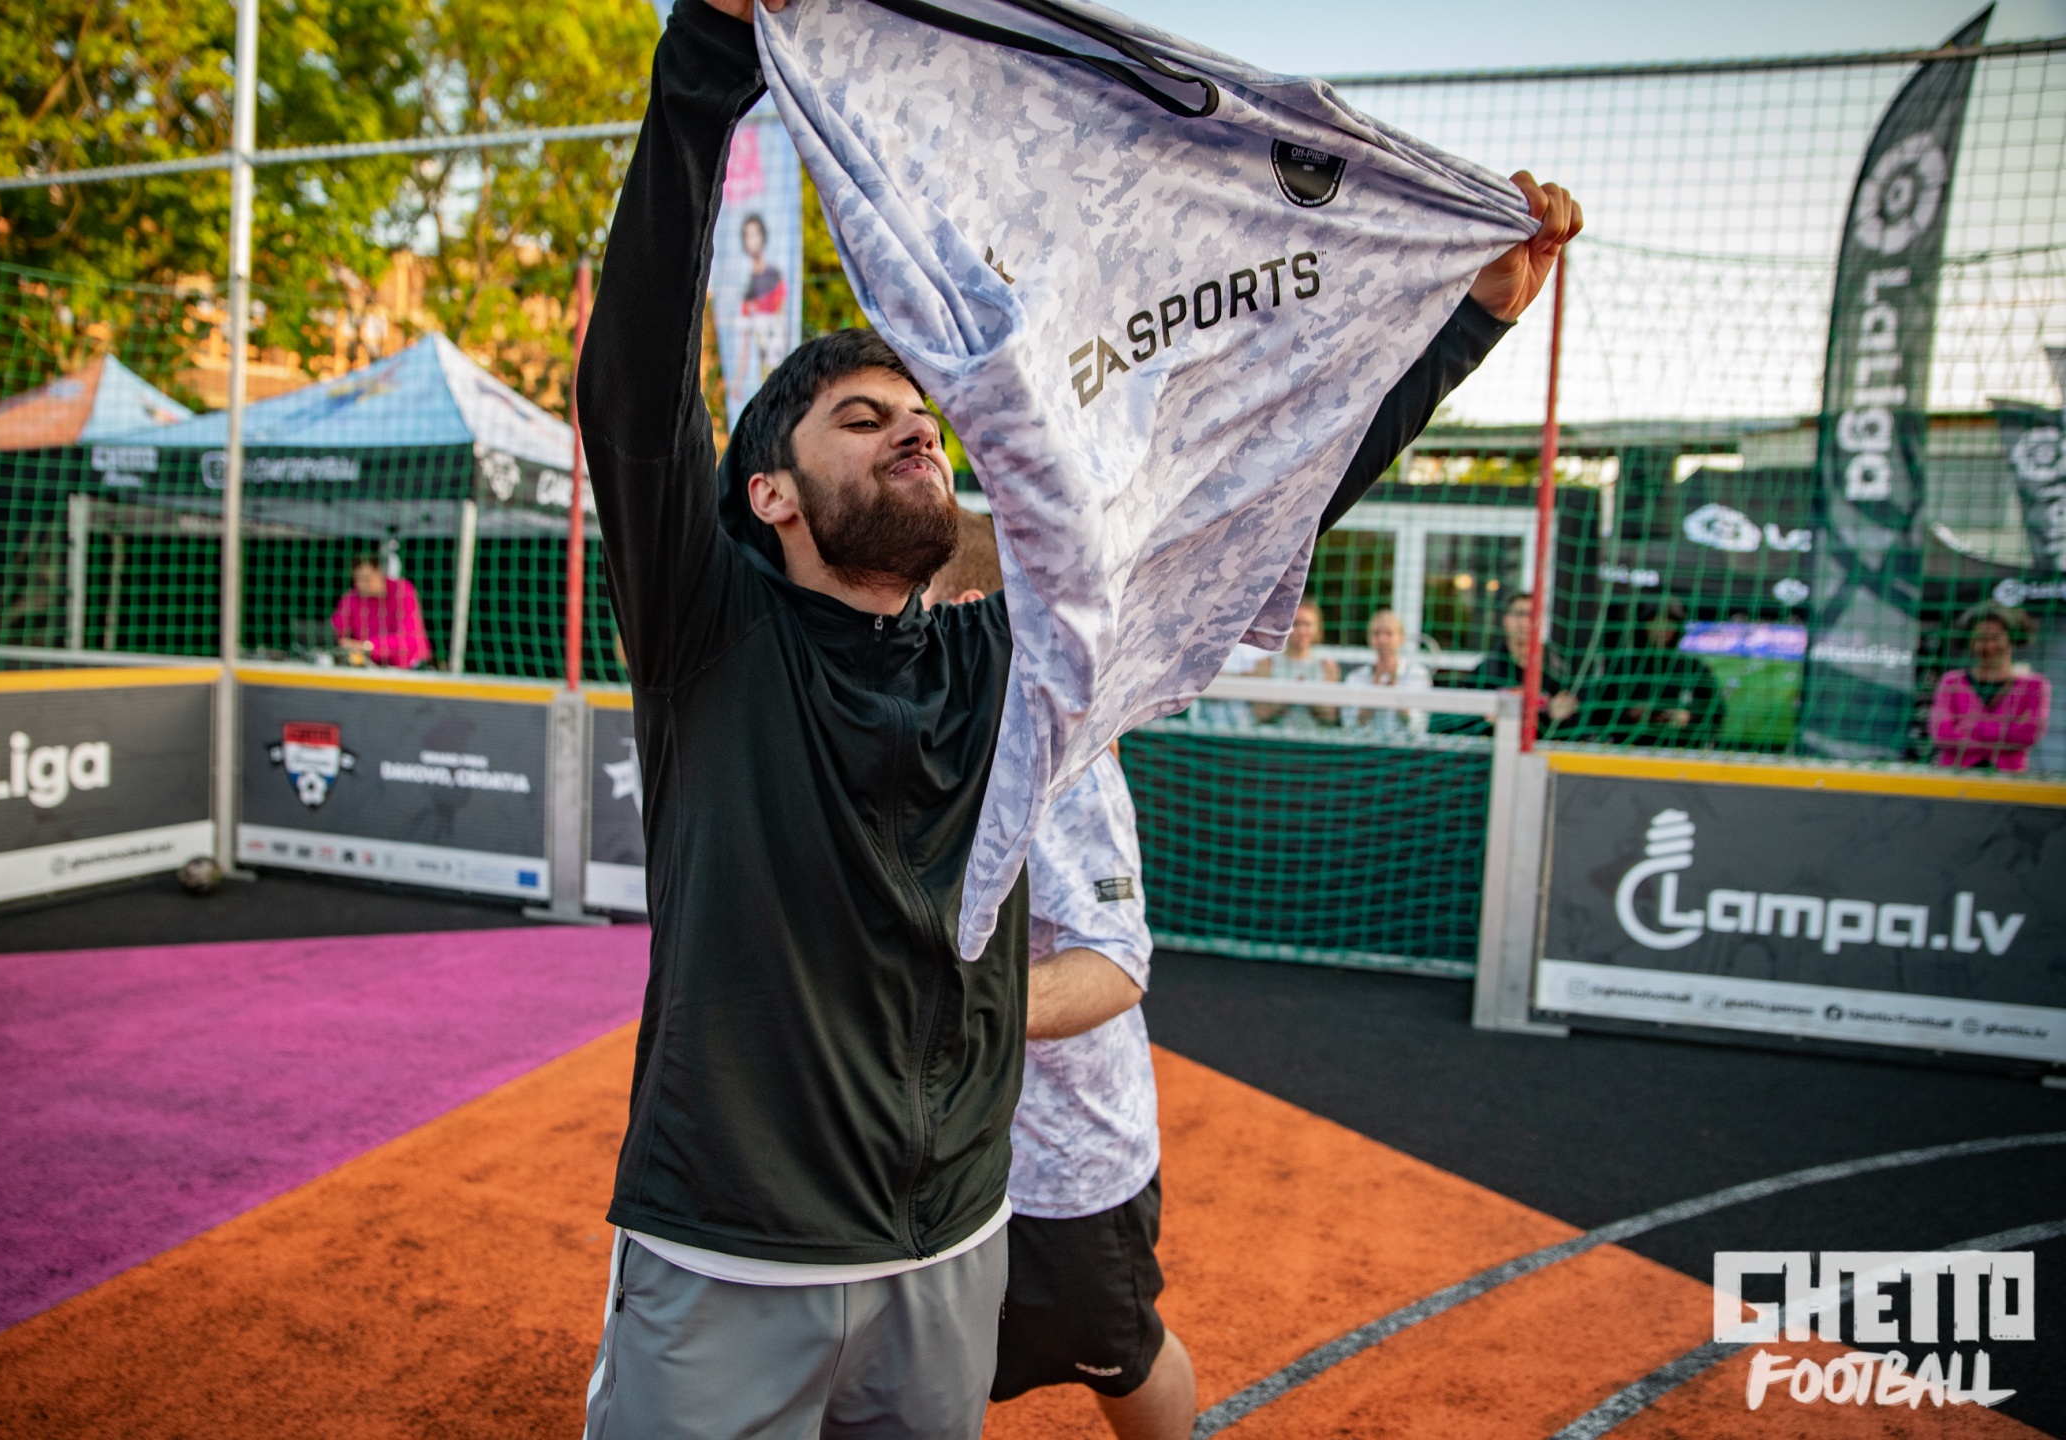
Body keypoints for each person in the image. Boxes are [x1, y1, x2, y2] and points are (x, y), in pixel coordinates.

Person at [575, 2, 1577, 1431]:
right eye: (861, 418)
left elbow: (1241, 511)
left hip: (950, 1246)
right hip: (731, 1253)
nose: (915, 427)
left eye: (921, 413)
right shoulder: (712, 639)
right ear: (769, 495)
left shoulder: (1001, 666)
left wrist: (1468, 323)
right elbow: (631, 394)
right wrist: (706, 58)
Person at [925, 518, 1195, 1440]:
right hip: (944, 1153)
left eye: (912, 603)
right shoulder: (915, 732)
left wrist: (952, 1013)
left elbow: (1116, 964)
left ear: (965, 608)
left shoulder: (1060, 758)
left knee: (1120, 1356)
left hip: (1064, 1164)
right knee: (919, 1369)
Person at [1435, 589, 1579, 737]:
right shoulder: (1486, 670)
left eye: (1532, 615)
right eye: (1518, 614)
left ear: (1542, 622)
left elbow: (1576, 728)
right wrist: (1485, 720)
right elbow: (1464, 723)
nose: (1524, 622)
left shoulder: (1559, 671)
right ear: (1506, 620)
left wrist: (1559, 716)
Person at [1585, 599, 1723, 749]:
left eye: (1669, 622)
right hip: (1630, 750)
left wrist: (1689, 718)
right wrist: (1630, 714)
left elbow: (1716, 713)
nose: (1662, 629)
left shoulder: (1695, 669)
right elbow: (1597, 713)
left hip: (1681, 752)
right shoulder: (1622, 666)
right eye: (1655, 622)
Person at [1930, 602, 2051, 771]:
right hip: (1954, 775)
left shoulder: (2034, 686)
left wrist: (1967, 727)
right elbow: (1942, 735)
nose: (1988, 646)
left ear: (2011, 638)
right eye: (1980, 638)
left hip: (2009, 778)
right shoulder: (1951, 682)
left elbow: (2028, 736)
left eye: (1995, 637)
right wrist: (2006, 731)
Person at [1343, 608, 1433, 738]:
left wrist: (1395, 691)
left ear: (1401, 638)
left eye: (1389, 634)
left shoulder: (1418, 675)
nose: (1382, 640)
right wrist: (1373, 691)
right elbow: (1350, 726)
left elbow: (1418, 727)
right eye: (1376, 634)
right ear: (1369, 639)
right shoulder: (1356, 677)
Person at [329, 554, 431, 668]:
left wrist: (368, 646)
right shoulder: (351, 598)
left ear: (381, 573)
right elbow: (334, 631)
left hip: (409, 666)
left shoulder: (402, 591)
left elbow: (409, 638)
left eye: (366, 578)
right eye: (356, 579)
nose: (360, 584)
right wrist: (344, 643)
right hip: (370, 667)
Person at [1251, 600, 1341, 729]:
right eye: (1296, 624)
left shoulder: (1327, 665)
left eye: (1308, 624)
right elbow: (1261, 714)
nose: (1302, 631)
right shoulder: (1267, 664)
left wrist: (1308, 693)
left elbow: (1331, 716)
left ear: (1317, 628)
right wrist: (1290, 693)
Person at [738, 211, 790, 389]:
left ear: (763, 236)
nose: (752, 240)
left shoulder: (776, 276)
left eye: (755, 234)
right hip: (764, 369)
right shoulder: (747, 288)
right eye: (747, 235)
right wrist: (738, 381)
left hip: (779, 358)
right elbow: (745, 342)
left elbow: (783, 320)